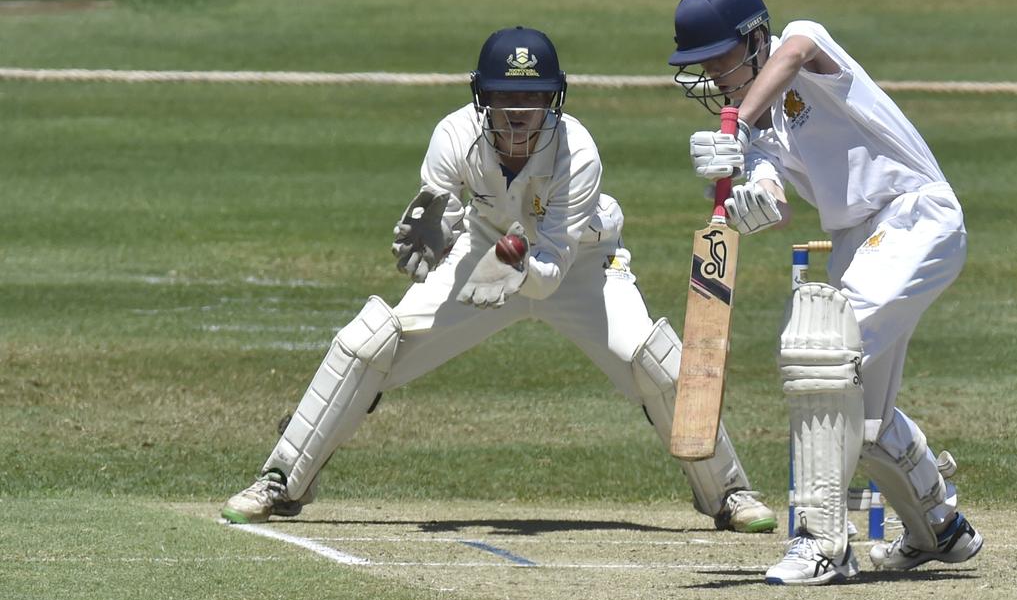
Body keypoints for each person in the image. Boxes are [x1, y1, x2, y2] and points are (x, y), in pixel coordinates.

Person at [221, 26, 777, 534]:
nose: (519, 114)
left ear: (552, 99)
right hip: (481, 251)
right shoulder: (453, 134)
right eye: (506, 100)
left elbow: (551, 271)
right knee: (369, 342)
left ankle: (728, 492)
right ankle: (282, 480)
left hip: (583, 265)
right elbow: (439, 208)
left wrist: (518, 265)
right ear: (481, 98)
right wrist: (436, 230)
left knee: (654, 360)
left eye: (533, 99)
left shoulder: (577, 152)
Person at [668, 0, 983, 584]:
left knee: (819, 352)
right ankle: (939, 528)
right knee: (858, 421)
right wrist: (742, 202)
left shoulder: (802, 45)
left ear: (755, 39)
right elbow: (774, 201)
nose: (711, 75)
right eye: (700, 66)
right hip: (858, 243)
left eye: (718, 59)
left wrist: (734, 126)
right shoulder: (756, 134)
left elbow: (797, 52)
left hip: (914, 215)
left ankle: (822, 544)